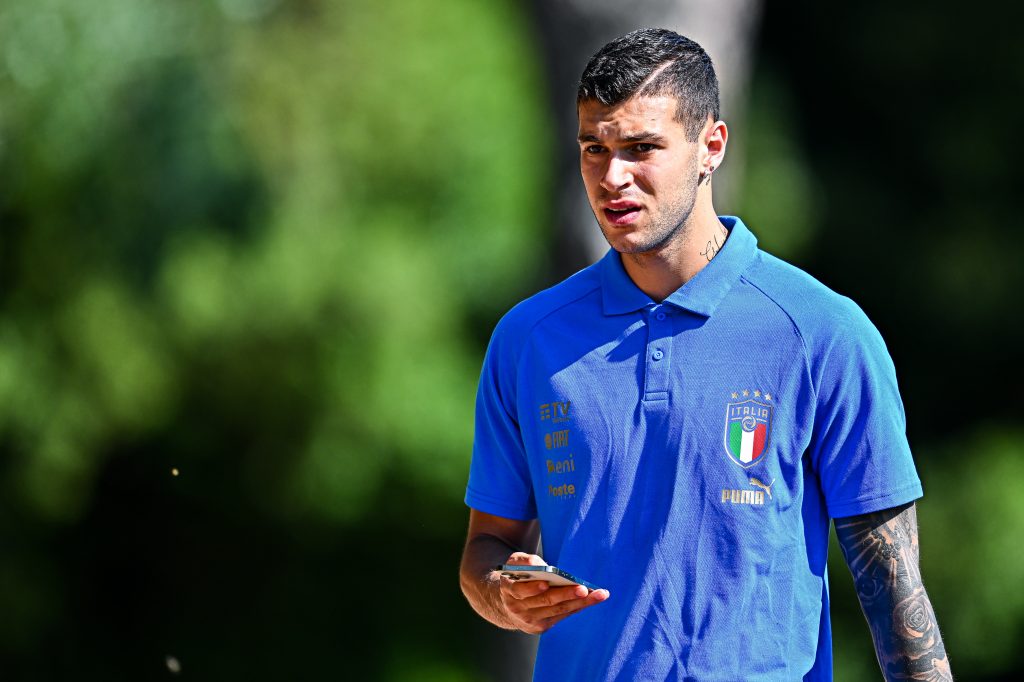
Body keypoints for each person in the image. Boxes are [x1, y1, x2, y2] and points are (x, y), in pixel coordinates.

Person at [459, 27, 950, 681]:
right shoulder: (528, 340)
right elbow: (485, 551)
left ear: (710, 147)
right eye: (593, 149)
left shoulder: (822, 332)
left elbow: (895, 594)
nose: (612, 177)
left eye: (641, 148)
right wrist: (502, 592)